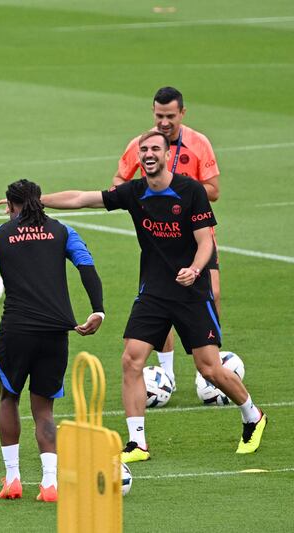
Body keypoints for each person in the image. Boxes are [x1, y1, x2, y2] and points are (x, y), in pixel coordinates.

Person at [42, 130, 267, 463]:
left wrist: (194, 269)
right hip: (154, 293)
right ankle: (137, 443)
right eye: (143, 149)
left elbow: (206, 241)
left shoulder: (190, 191)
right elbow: (82, 198)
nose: (147, 153)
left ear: (167, 155)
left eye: (154, 149)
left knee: (210, 370)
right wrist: (36, 201)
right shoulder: (134, 192)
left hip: (192, 292)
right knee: (131, 359)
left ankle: (253, 415)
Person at [0, 179, 105, 501]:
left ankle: (13, 479)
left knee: (8, 399)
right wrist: (97, 311)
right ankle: (50, 483)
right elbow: (87, 266)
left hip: (16, 333)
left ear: (10, 205)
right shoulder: (62, 231)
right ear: (41, 201)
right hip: (55, 334)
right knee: (44, 411)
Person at [113, 87, 221, 387]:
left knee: (213, 294)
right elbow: (119, 179)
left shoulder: (199, 144)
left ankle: (208, 373)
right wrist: (146, 196)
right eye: (159, 116)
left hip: (198, 236)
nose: (164, 122)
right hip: (161, 240)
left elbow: (214, 190)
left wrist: (183, 188)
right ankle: (167, 373)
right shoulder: (143, 144)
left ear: (182, 114)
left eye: (170, 116)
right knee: (160, 302)